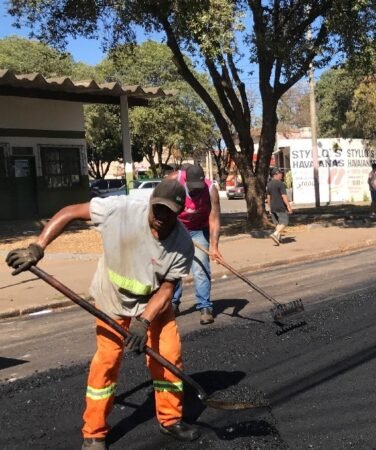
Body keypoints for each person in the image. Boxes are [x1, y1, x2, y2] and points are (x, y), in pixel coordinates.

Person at [5, 180, 198, 449]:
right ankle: (94, 433)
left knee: (169, 356)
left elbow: (167, 289)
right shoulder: (120, 209)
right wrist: (38, 246)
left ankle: (170, 419)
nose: (161, 218)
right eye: (158, 210)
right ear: (150, 202)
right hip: (112, 300)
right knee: (106, 362)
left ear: (178, 213)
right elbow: (70, 212)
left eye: (169, 213)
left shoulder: (182, 243)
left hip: (153, 305)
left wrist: (143, 322)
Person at [166, 164, 222, 325]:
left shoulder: (211, 189)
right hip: (175, 229)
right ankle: (173, 304)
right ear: (186, 180)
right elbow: (158, 205)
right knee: (173, 269)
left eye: (198, 187)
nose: (195, 191)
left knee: (200, 268)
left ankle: (205, 307)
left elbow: (214, 218)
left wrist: (214, 246)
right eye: (192, 188)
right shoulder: (173, 181)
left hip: (199, 230)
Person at [266, 167, 293, 245]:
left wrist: (270, 207)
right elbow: (284, 196)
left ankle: (278, 238)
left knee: (278, 223)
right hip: (280, 206)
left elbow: (268, 197)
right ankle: (275, 234)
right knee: (285, 222)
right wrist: (288, 206)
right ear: (276, 174)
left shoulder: (269, 184)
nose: (282, 175)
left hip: (273, 207)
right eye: (280, 173)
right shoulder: (280, 183)